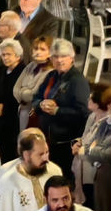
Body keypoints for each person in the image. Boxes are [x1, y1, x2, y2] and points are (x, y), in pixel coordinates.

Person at [32, 38, 90, 177]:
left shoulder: (78, 81)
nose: (59, 60)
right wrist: (41, 104)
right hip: (48, 137)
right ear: (51, 59)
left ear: (72, 58)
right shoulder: (51, 75)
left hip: (66, 141)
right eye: (56, 56)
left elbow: (83, 113)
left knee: (61, 177)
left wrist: (57, 111)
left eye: (64, 56)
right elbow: (35, 98)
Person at [70, 82, 110, 208]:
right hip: (82, 166)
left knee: (92, 203)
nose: (88, 99)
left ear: (98, 103)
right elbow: (85, 137)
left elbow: (99, 147)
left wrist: (80, 149)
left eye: (91, 97)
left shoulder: (108, 123)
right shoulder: (93, 116)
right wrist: (77, 143)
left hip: (94, 171)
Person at [0, 38, 25, 162]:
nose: (5, 57)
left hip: (15, 120)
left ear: (17, 56)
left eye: (9, 54)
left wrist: (4, 107)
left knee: (11, 155)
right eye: (3, 54)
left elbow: (21, 96)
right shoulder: (1, 70)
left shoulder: (23, 72)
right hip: (0, 119)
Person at [13, 36, 54, 130]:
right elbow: (15, 88)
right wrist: (23, 95)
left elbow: (35, 93)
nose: (38, 52)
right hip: (22, 108)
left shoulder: (51, 71)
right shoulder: (31, 65)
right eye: (36, 48)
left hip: (36, 113)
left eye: (42, 49)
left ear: (50, 52)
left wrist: (23, 91)